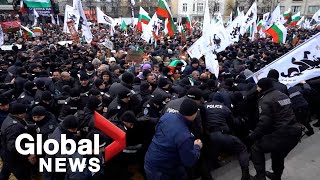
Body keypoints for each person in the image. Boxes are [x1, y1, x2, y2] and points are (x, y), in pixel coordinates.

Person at [248, 78, 302, 180]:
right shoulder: (282, 94)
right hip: (294, 132)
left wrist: (253, 136)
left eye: (258, 86)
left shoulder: (265, 100)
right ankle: (277, 175)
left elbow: (264, 123)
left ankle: (260, 177)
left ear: (261, 87)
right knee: (278, 154)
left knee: (256, 148)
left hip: (282, 134)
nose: (257, 88)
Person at [144, 98, 202, 180]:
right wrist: (197, 147)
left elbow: (157, 131)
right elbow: (189, 161)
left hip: (152, 159)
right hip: (162, 170)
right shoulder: (185, 135)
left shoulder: (167, 116)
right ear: (194, 114)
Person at [202, 94, 251, 180]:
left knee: (207, 159)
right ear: (221, 101)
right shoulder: (225, 108)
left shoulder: (204, 107)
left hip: (209, 137)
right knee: (242, 149)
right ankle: (245, 175)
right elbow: (232, 123)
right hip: (223, 134)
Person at [0, 103, 33, 180]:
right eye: (24, 112)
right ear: (19, 114)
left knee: (4, 173)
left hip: (7, 154)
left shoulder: (10, 118)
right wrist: (29, 151)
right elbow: (13, 146)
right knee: (25, 177)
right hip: (14, 158)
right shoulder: (14, 127)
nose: (26, 114)